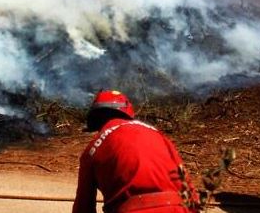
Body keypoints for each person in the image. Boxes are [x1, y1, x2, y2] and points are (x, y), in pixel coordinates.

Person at [72, 90, 200, 213]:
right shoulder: (159, 135)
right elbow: (188, 186)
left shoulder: (92, 149)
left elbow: (83, 207)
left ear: (96, 121)